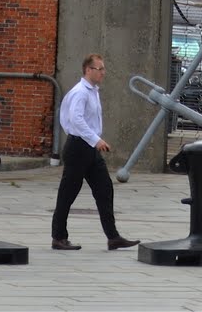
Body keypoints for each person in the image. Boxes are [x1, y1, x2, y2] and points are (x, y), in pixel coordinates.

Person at [51, 53, 139, 251]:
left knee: (104, 189)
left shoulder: (92, 91)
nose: (103, 73)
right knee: (68, 192)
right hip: (78, 147)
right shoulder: (81, 92)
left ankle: (113, 237)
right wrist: (96, 140)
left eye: (103, 69)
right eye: (99, 69)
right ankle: (58, 237)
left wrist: (94, 142)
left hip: (89, 149)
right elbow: (76, 120)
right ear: (88, 70)